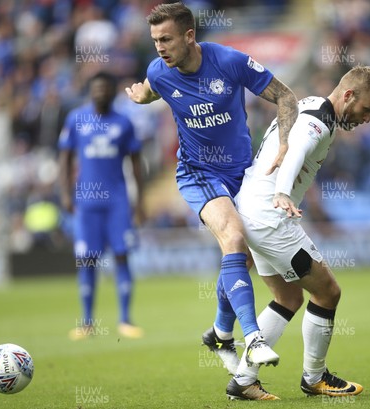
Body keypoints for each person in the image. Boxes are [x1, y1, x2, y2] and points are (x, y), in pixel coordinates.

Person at [125, 2, 298, 376]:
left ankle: (219, 332)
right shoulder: (159, 70)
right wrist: (143, 97)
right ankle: (251, 337)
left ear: (190, 36)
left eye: (166, 39)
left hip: (242, 173)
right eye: (155, 40)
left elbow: (286, 97)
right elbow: (154, 87)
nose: (159, 47)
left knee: (242, 259)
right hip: (196, 172)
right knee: (233, 237)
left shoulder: (230, 61)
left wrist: (284, 144)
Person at [229, 65, 370, 400]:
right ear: (348, 96)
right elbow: (296, 151)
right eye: (366, 109)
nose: (367, 118)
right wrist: (283, 192)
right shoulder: (318, 121)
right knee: (328, 292)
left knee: (287, 297)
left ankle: (243, 380)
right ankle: (315, 378)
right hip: (271, 218)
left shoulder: (313, 104)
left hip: (251, 210)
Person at [59, 71, 145, 340]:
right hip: (86, 202)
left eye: (106, 88)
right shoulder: (76, 119)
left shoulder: (124, 122)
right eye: (96, 88)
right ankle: (86, 323)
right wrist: (65, 193)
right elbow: (64, 158)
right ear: (90, 91)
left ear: (112, 91)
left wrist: (139, 200)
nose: (101, 93)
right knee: (86, 260)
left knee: (122, 255)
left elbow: (136, 162)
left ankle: (125, 320)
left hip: (117, 201)